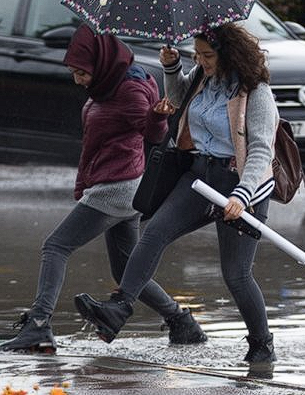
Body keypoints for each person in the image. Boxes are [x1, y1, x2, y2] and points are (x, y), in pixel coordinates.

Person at [74, 21, 279, 366]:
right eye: (197, 54)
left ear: (229, 54)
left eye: (208, 55)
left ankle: (262, 344)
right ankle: (118, 309)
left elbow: (260, 150)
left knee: (237, 274)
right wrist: (172, 67)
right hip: (199, 176)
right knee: (153, 232)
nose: (202, 61)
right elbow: (178, 99)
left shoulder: (254, 92)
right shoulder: (202, 76)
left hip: (241, 185)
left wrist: (243, 195)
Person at [0, 24, 206, 353]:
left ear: (101, 64)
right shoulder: (105, 86)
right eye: (73, 72)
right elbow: (96, 143)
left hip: (117, 187)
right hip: (119, 185)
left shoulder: (130, 88)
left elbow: (152, 133)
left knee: (55, 247)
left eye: (82, 72)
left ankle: (39, 325)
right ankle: (182, 323)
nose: (78, 80)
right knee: (125, 268)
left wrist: (156, 117)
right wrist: (83, 183)